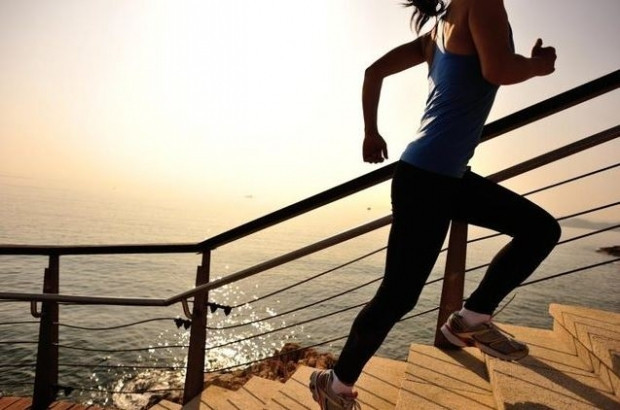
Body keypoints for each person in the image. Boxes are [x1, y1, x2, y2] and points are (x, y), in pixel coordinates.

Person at [308, 0, 561, 408]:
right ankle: (334, 384)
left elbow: (373, 72)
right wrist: (538, 66)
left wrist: (371, 132)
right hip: (427, 180)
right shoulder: (480, 3)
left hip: (444, 177)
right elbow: (497, 70)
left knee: (541, 230)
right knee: (398, 296)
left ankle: (471, 319)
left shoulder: (438, 30)